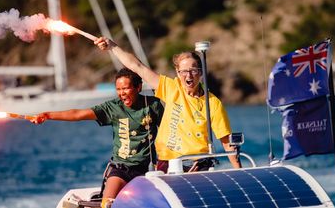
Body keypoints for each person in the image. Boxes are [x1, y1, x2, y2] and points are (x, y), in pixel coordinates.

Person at [94, 37, 242, 173]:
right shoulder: (171, 88)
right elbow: (137, 66)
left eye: (193, 71)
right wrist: (112, 46)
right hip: (167, 162)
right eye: (184, 71)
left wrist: (240, 173)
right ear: (178, 73)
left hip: (197, 164)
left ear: (200, 72)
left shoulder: (213, 103)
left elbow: (226, 142)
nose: (188, 76)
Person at [30, 68, 164, 208]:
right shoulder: (113, 108)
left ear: (138, 87)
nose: (121, 93)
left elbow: (170, 131)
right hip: (121, 169)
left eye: (125, 88)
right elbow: (78, 114)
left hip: (147, 170)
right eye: (118, 89)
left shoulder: (152, 105)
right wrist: (47, 115)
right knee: (107, 204)